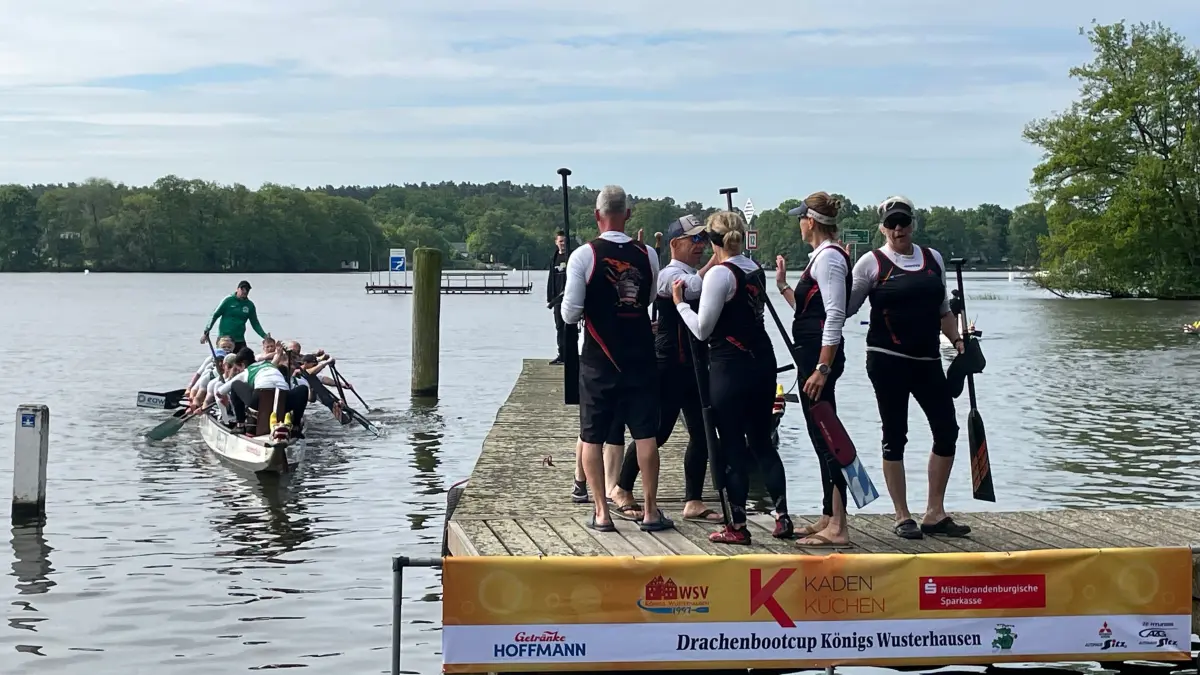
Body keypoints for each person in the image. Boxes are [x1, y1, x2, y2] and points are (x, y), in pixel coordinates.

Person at [847, 195, 969, 540]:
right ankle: (902, 515)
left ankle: (935, 512)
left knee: (947, 431)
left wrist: (959, 342)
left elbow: (944, 311)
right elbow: (846, 308)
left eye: (903, 222)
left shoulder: (934, 259)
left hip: (928, 359)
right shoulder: (871, 264)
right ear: (882, 228)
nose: (898, 229)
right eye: (891, 224)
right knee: (895, 435)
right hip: (887, 361)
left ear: (913, 223)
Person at [559, 184, 671, 533]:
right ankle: (651, 512)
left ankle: (602, 514)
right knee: (645, 434)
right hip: (639, 353)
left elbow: (570, 313)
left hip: (599, 357)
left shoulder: (583, 256)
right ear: (628, 214)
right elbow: (649, 297)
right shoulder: (648, 255)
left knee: (592, 434)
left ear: (597, 216)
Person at [675, 210, 790, 544]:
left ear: (713, 242)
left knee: (732, 448)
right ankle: (782, 517)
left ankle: (737, 527)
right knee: (762, 444)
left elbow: (702, 329)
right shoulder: (754, 270)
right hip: (763, 363)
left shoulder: (719, 276)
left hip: (730, 367)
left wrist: (682, 304)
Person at [610, 215, 723, 524]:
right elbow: (697, 286)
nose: (701, 246)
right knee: (657, 433)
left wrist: (715, 260)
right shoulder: (669, 274)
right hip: (669, 365)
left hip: (695, 366)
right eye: (695, 240)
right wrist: (721, 258)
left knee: (702, 434)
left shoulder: (689, 271)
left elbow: (701, 281)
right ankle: (621, 488)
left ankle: (693, 500)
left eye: (704, 240)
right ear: (675, 244)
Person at [777, 192, 853, 548]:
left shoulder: (830, 260)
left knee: (826, 435)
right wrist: (784, 288)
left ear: (811, 221)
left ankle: (839, 526)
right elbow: (810, 312)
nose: (798, 224)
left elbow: (836, 315)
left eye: (800, 218)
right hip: (811, 356)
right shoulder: (821, 258)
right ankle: (828, 514)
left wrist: (823, 367)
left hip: (820, 361)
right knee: (818, 431)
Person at [202, 280, 269, 353]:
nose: (245, 291)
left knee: (245, 357)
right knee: (225, 360)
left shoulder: (250, 305)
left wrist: (264, 336)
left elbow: (255, 323)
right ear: (237, 289)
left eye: (247, 289)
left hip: (239, 339)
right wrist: (207, 331)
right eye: (242, 289)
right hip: (225, 338)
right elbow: (215, 315)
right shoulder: (228, 300)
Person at [547, 230, 570, 366]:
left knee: (570, 328)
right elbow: (551, 279)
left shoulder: (571, 257)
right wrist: (550, 297)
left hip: (569, 298)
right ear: (556, 242)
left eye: (565, 242)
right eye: (560, 241)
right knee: (559, 327)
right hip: (556, 300)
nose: (563, 244)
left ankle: (570, 355)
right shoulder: (554, 258)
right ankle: (561, 355)